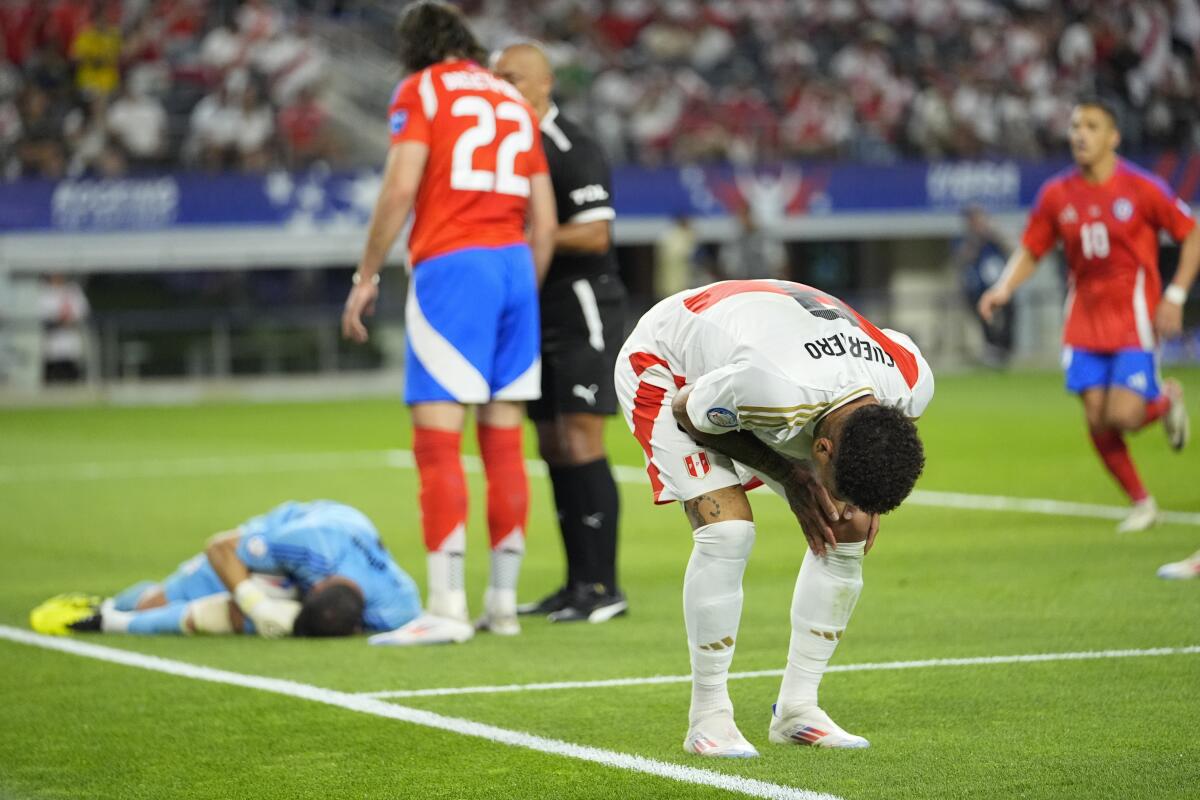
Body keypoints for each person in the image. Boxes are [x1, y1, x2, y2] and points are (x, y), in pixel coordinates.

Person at [615, 278, 932, 757]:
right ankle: (709, 717)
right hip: (669, 366)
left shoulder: (910, 382)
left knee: (848, 524)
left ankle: (798, 709)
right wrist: (793, 475)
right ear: (820, 450)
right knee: (727, 531)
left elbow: (888, 418)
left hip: (773, 357)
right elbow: (688, 413)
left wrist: (863, 498)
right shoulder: (772, 389)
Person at [340, 1, 556, 645]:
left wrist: (366, 275)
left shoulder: (421, 89)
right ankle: (505, 605)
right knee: (503, 442)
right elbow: (543, 222)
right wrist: (520, 288)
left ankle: (446, 608)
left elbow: (400, 188)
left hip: (454, 267)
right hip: (516, 267)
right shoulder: (513, 100)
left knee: (437, 440)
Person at [979, 98, 1197, 533]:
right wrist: (1003, 287)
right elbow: (1033, 247)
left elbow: (1190, 234)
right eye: (1076, 125)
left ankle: (1164, 400)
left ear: (1113, 137)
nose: (1080, 134)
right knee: (1097, 417)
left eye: (1092, 126)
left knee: (1125, 417)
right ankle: (1141, 502)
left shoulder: (1142, 187)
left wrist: (1174, 295)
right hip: (1082, 318)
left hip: (1133, 316)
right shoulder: (1057, 194)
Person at [494, 42, 628, 624]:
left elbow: (596, 235)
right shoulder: (505, 145)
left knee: (580, 441)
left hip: (581, 310)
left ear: (545, 83)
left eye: (514, 78)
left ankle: (604, 587)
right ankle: (575, 583)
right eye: (496, 78)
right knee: (551, 447)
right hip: (536, 314)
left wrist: (530, 238)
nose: (503, 87)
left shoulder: (570, 147)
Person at [29, 501, 421, 639]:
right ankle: (116, 605)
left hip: (324, 552)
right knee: (152, 604)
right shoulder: (305, 543)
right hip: (266, 541)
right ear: (314, 590)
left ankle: (109, 621)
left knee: (243, 618)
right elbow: (220, 547)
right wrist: (256, 605)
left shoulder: (399, 606)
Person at [954, 205, 1014, 367]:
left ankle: (1005, 349)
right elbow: (961, 259)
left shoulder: (992, 236)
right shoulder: (965, 239)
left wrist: (992, 235)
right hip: (978, 289)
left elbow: (1011, 249)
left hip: (998, 286)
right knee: (985, 319)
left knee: (1008, 314)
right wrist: (975, 240)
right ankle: (992, 348)